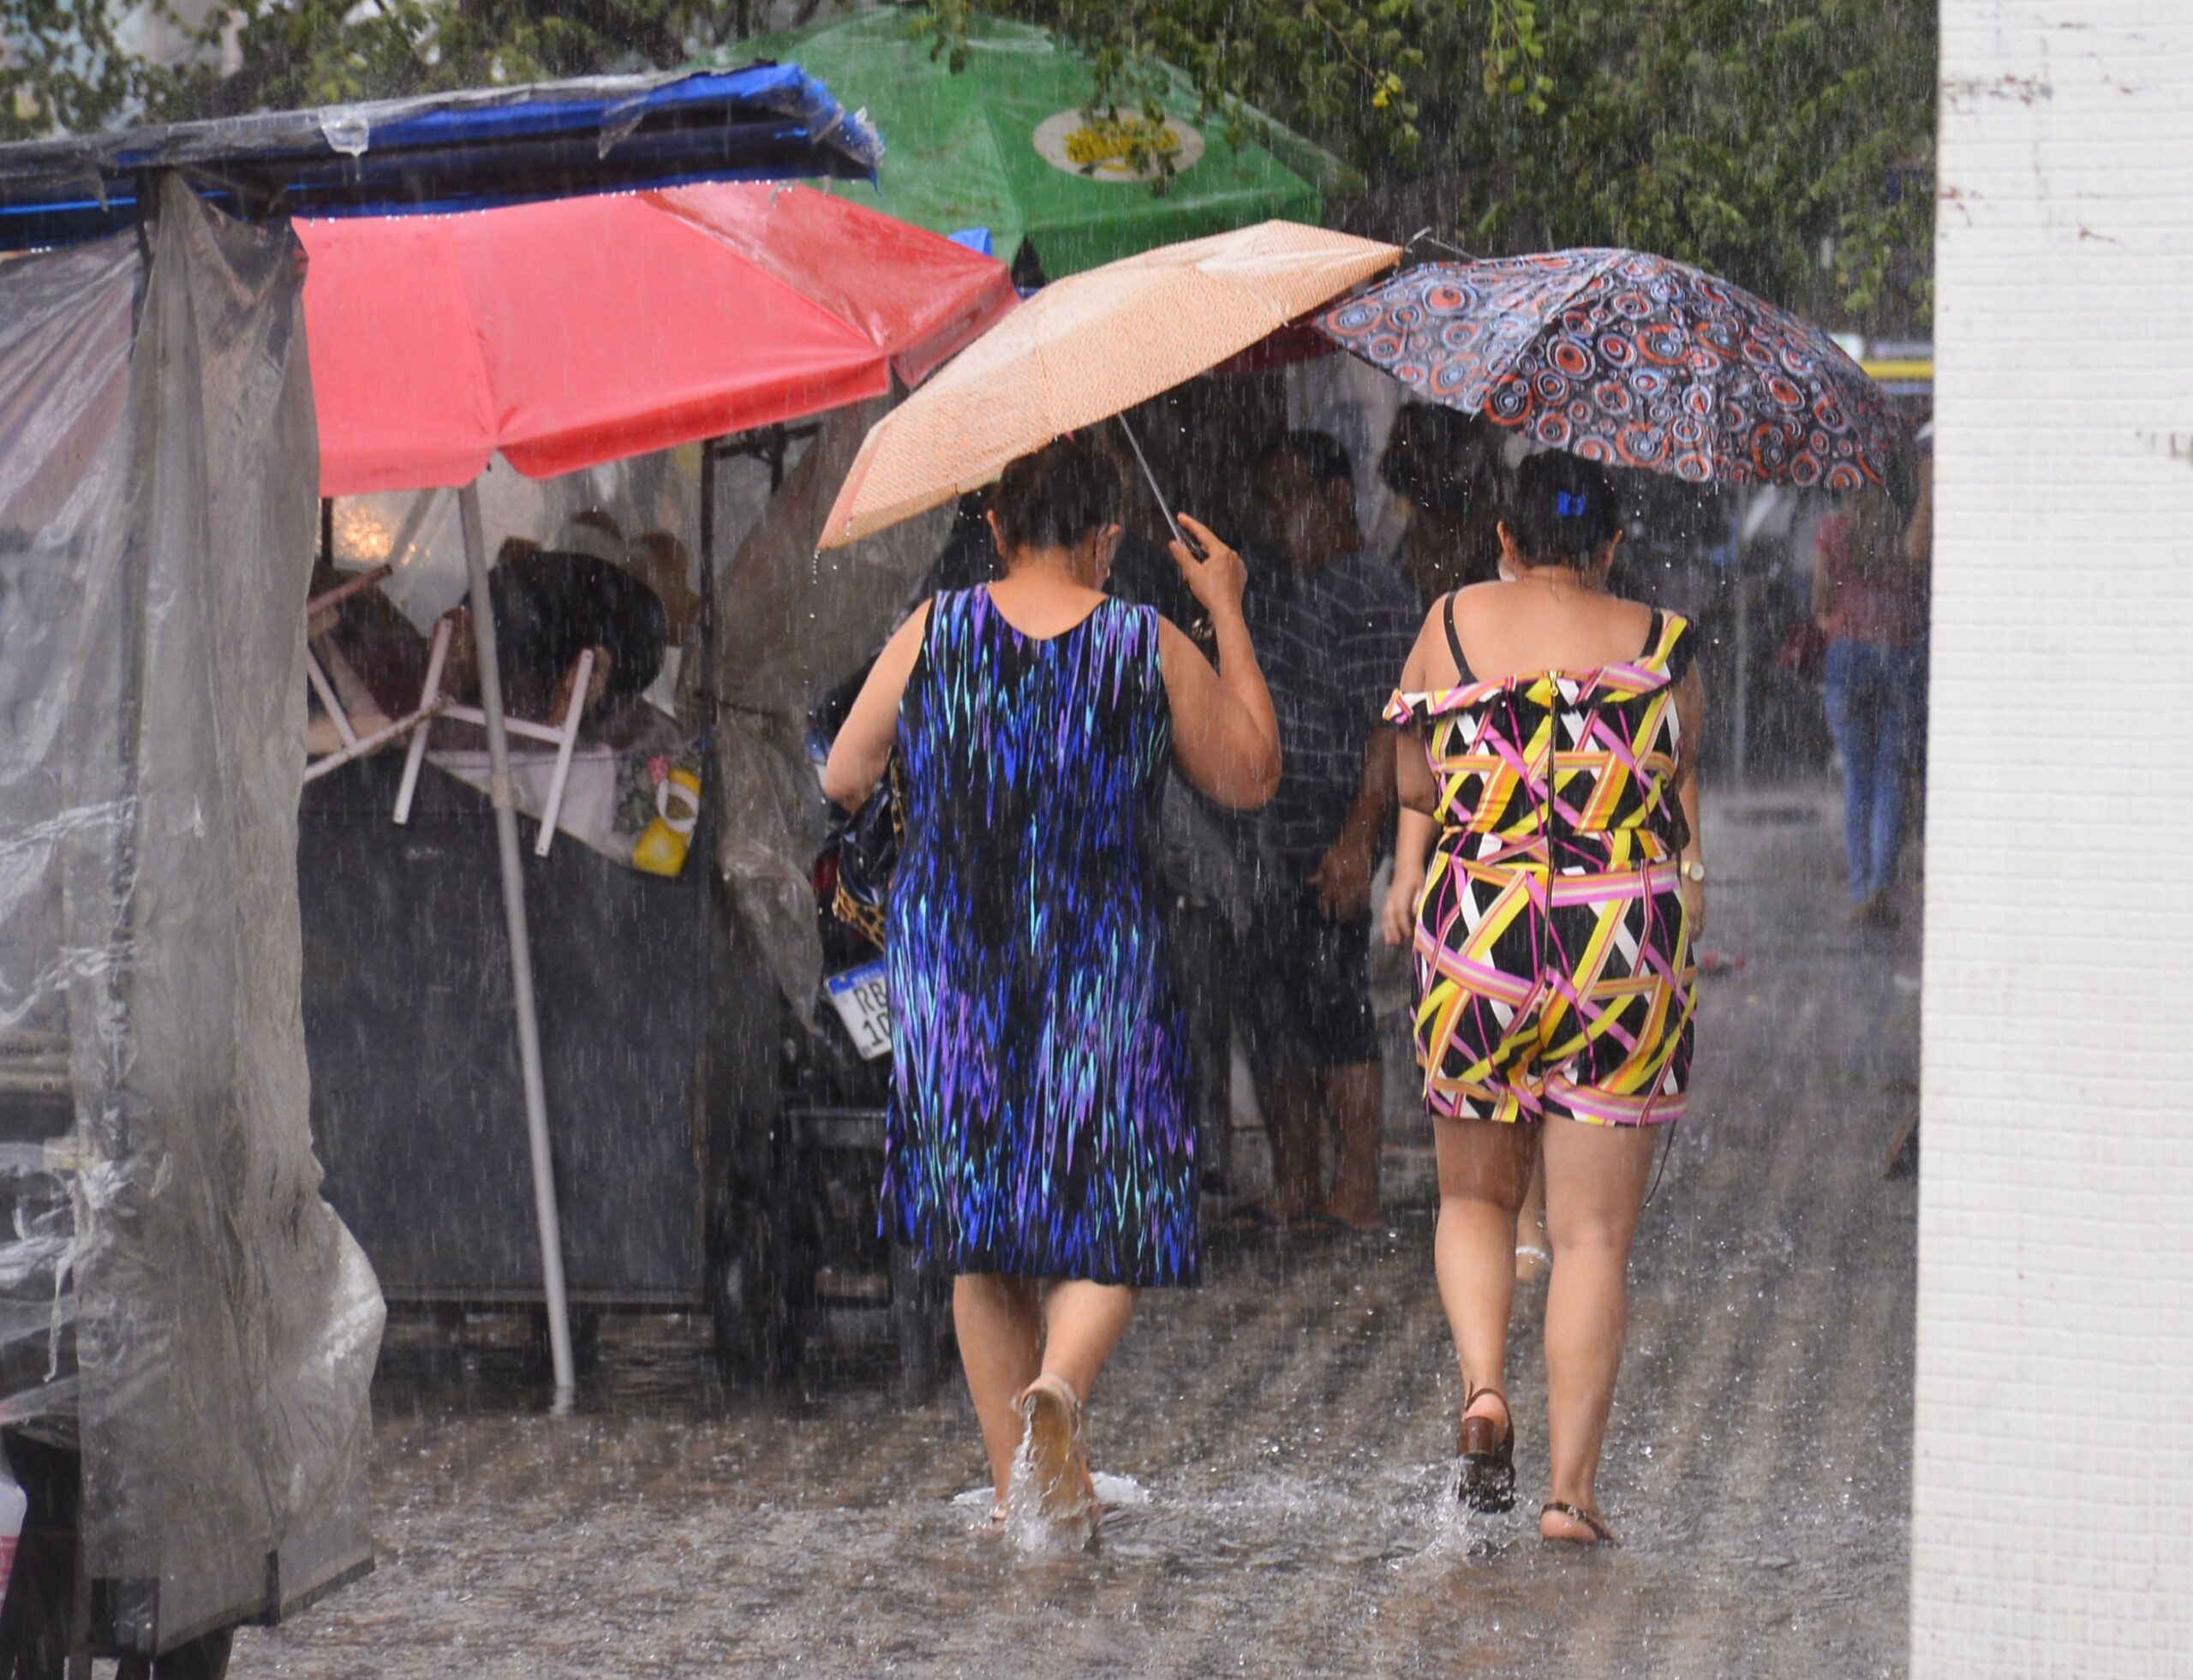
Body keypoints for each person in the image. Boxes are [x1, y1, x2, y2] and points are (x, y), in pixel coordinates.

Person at [822, 435, 1278, 1538]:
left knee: (982, 1232)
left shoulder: (935, 630)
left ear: (993, 528)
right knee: (1111, 1204)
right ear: (1107, 536)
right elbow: (1251, 772)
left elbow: (844, 772)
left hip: (955, 962)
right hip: (1096, 958)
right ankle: (1062, 1388)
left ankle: (1015, 1498)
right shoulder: (1142, 640)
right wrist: (1226, 605)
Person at [1385, 451, 1703, 1545]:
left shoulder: (1455, 620)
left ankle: (1483, 1390)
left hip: (1483, 921)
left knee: (1476, 1201)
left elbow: (1416, 778)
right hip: (1619, 929)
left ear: (1505, 540)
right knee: (1591, 1237)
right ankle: (1570, 1495)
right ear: (1610, 545)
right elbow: (1677, 776)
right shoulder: (1662, 642)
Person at [1234, 430, 1419, 1235]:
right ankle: (1298, 1176)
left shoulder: (1370, 590)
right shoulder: (1274, 587)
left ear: (1335, 497)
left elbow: (1388, 727)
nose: (1278, 517)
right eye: (1267, 499)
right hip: (1268, 830)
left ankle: (1357, 1187)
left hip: (1332, 827)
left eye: (1290, 497)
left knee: (1335, 1002)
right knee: (1276, 1006)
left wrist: (1357, 839)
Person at [1811, 456, 1926, 926]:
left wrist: (1840, 620)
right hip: (1898, 658)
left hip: (1847, 659)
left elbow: (1821, 601)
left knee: (1857, 781)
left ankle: (1861, 889)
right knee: (1890, 779)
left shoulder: (1831, 531)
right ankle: (1882, 884)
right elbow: (1918, 593)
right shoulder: (1904, 531)